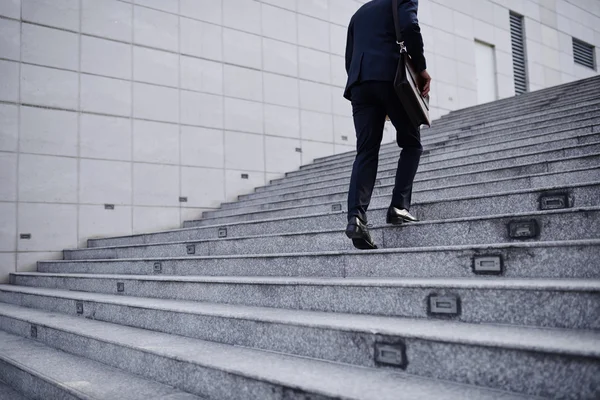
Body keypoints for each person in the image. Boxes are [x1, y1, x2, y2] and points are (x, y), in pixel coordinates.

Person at [343, 0, 431, 250]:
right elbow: (411, 28)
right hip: (392, 78)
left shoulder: (359, 12)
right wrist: (421, 68)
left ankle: (356, 218)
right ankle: (399, 206)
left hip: (360, 83)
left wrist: (369, 91)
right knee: (412, 144)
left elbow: (349, 56)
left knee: (367, 151)